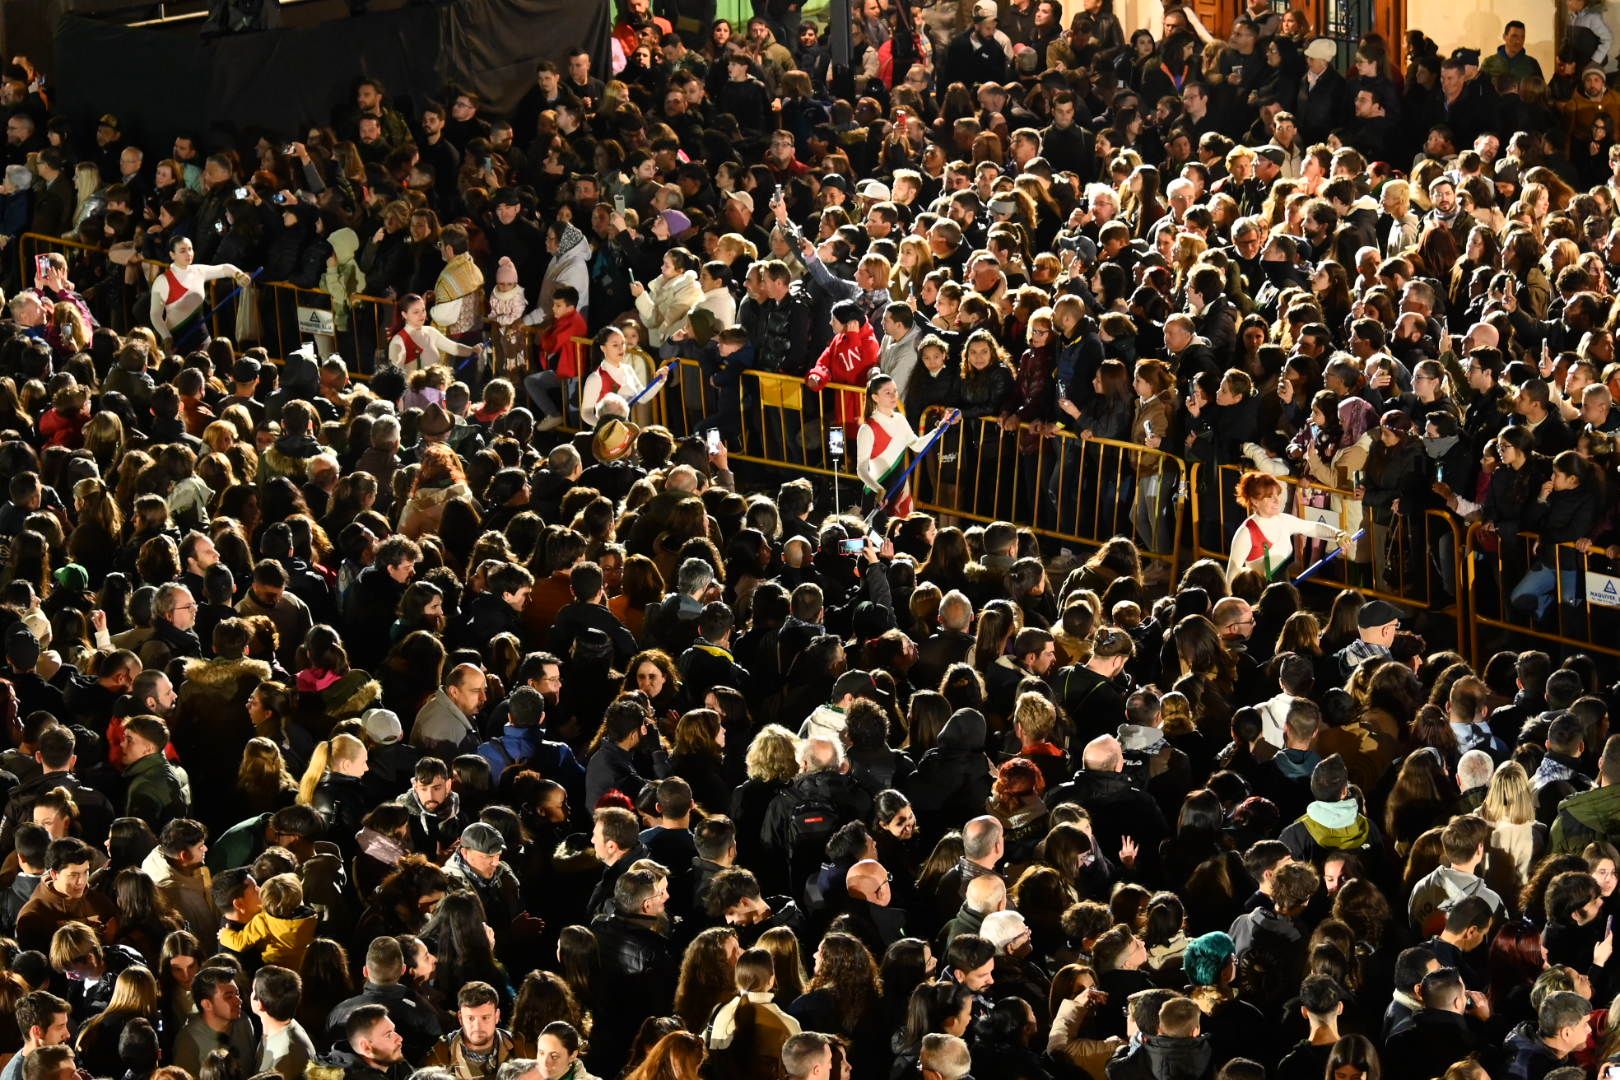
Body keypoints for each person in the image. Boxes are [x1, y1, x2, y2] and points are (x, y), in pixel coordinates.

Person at [856, 374, 959, 520]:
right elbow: (861, 469)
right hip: (878, 495)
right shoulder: (868, 428)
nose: (893, 396)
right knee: (879, 541)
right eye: (887, 393)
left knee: (902, 538)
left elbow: (917, 445)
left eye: (895, 391)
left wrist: (939, 428)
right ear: (875, 397)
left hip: (900, 491)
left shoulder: (900, 419)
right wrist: (878, 489)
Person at [1226, 470, 1350, 583]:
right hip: (1262, 601)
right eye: (1269, 497)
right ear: (1255, 501)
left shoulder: (1284, 520)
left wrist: (1338, 534)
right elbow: (1231, 577)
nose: (1277, 501)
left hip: (1285, 596)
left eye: (1278, 495)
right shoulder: (1246, 532)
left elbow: (1313, 528)